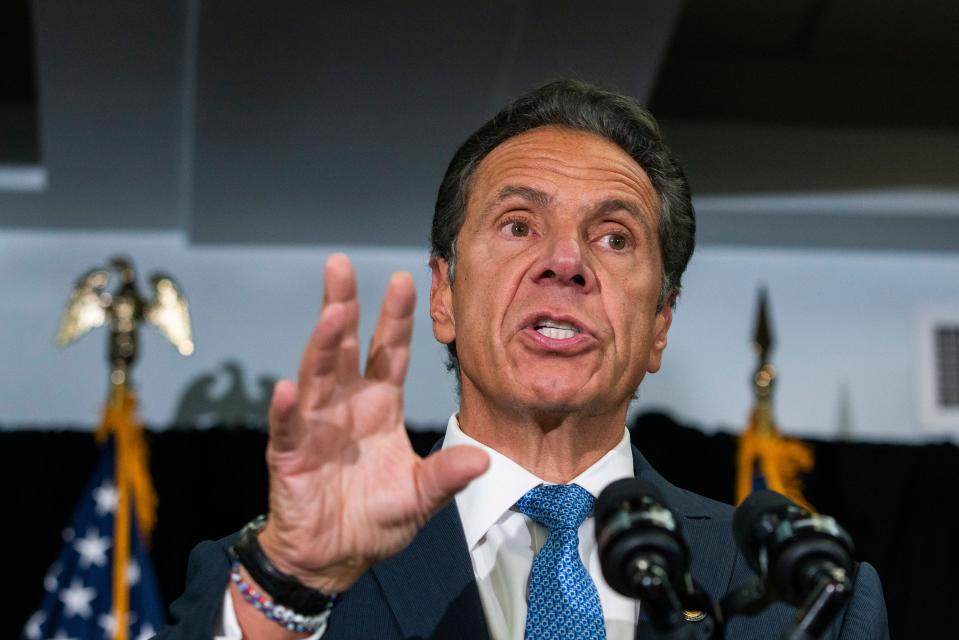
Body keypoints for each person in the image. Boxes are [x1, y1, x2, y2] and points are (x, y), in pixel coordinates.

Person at [158, 80, 888, 639]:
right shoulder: (271, 580)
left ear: (660, 322)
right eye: (518, 225)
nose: (565, 261)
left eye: (613, 237)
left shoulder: (802, 591)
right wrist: (289, 588)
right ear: (443, 296)